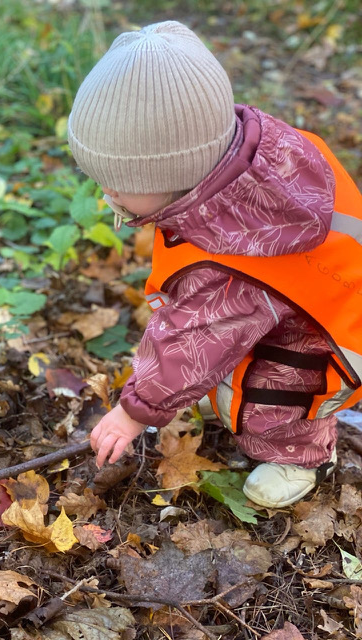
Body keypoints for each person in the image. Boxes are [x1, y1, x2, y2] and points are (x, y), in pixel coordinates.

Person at [67, 20, 362, 508]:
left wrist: (134, 413)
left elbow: (191, 340)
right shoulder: (247, 164)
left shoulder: (234, 262)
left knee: (271, 399)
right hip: (304, 297)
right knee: (231, 357)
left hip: (330, 333)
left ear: (176, 172)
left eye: (119, 182)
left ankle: (299, 453)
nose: (107, 193)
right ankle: (235, 397)